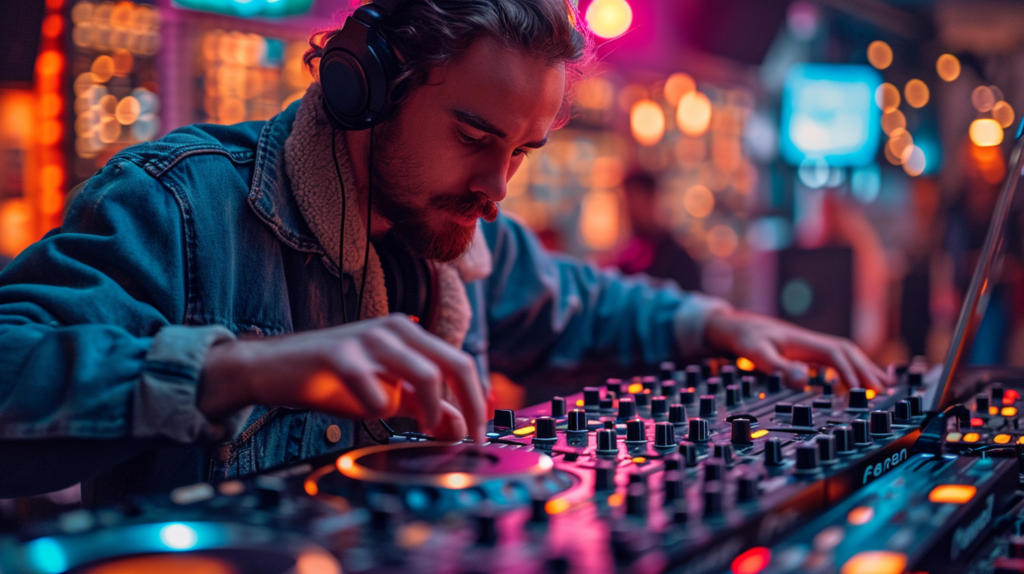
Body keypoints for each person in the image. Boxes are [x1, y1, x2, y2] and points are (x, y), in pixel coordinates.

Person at [0, 0, 889, 504]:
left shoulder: (465, 244)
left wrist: (726, 324)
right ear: (366, 87)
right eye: (473, 137)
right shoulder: (176, 202)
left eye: (521, 152)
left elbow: (593, 303)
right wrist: (243, 370)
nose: (497, 189)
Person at [616, 169, 701, 292]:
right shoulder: (628, 254)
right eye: (625, 200)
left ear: (651, 199)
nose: (627, 208)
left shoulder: (675, 258)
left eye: (633, 198)